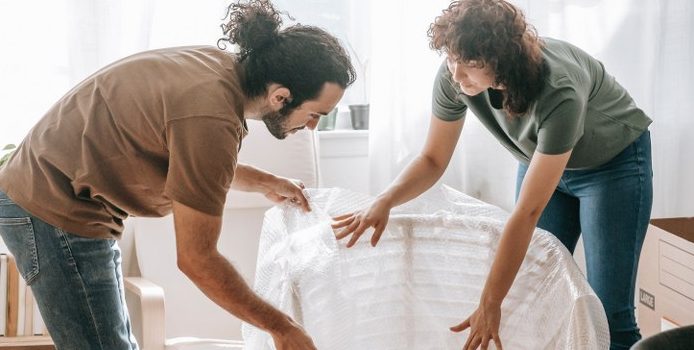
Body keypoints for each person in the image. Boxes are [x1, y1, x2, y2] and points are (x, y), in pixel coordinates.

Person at [0, 0, 355, 349]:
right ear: (281, 97)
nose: (312, 127)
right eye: (314, 114)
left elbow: (196, 165)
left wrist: (267, 183)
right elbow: (197, 259)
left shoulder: (219, 71)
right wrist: (283, 327)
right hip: (50, 206)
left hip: (62, 195)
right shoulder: (211, 117)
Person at [332, 0, 652, 349]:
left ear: (502, 61)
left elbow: (526, 213)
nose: (455, 74)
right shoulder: (455, 77)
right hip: (541, 161)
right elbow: (432, 159)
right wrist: (385, 201)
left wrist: (490, 302)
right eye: (452, 59)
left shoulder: (559, 90)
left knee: (609, 313)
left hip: (611, 166)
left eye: (469, 64)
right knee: (536, 294)